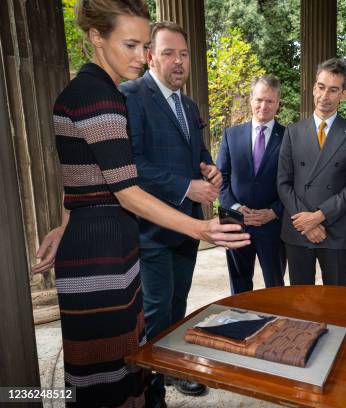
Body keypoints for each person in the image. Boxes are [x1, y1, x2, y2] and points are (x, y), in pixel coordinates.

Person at [31, 1, 249, 406]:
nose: (140, 55)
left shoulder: (94, 90)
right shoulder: (108, 97)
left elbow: (78, 176)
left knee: (112, 360)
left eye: (144, 45)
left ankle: (152, 390)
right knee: (113, 365)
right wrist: (201, 227)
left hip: (101, 240)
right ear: (97, 37)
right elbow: (126, 187)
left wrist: (66, 227)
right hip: (108, 248)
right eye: (132, 45)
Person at [119, 21, 216, 398]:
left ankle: (172, 371)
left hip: (186, 228)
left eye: (184, 54)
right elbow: (132, 165)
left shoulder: (188, 105)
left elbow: (197, 154)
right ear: (150, 57)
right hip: (151, 231)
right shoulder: (131, 95)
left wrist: (208, 168)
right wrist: (185, 186)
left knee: (178, 305)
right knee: (157, 312)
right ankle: (152, 389)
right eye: (168, 53)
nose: (178, 62)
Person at [277, 58, 346, 286]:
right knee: (300, 303)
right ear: (313, 87)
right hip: (298, 229)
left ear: (343, 94)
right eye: (321, 87)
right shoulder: (293, 132)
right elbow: (283, 183)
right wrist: (305, 223)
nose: (324, 96)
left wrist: (318, 217)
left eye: (333, 90)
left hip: (336, 230)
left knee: (336, 304)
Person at [217, 75, 286, 293]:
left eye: (269, 101)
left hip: (273, 225)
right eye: (259, 99)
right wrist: (236, 208)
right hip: (235, 222)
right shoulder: (231, 135)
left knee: (275, 287)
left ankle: (276, 326)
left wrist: (274, 212)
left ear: (278, 104)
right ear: (250, 99)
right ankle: (241, 323)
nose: (263, 106)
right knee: (238, 286)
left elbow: (295, 183)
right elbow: (221, 178)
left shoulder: (289, 137)